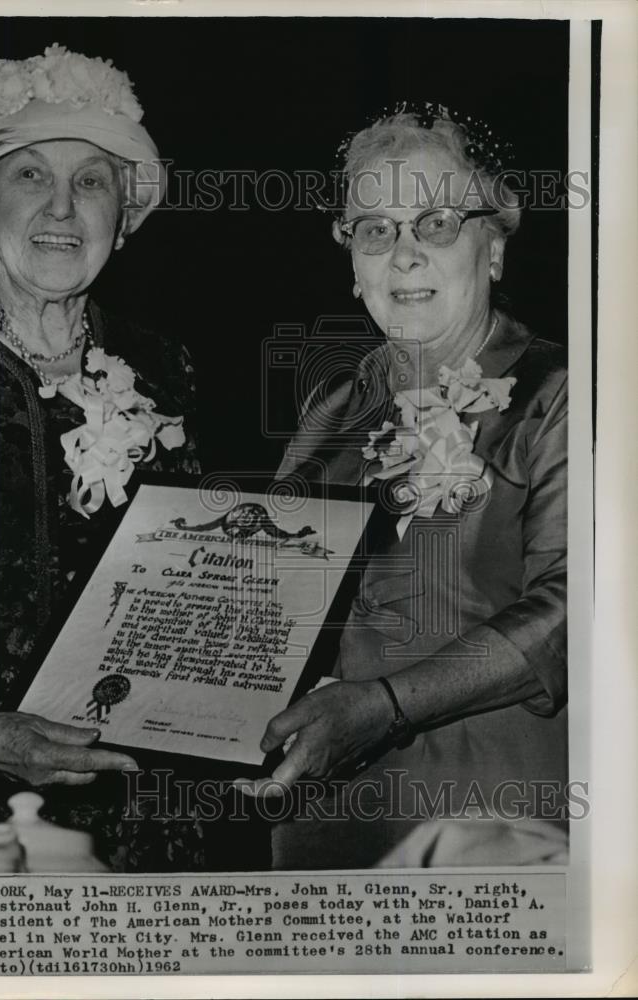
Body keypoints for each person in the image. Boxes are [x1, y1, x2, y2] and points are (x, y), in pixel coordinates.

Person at [0, 45, 203, 867]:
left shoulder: (166, 363)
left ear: (123, 219)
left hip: (148, 799)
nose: (62, 208)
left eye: (91, 182)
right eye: (29, 176)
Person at [240, 105, 569, 868]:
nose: (405, 254)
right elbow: (270, 603)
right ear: (351, 261)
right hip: (324, 825)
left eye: (438, 222)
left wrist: (384, 709)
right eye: (375, 229)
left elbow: (572, 615)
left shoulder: (562, 393)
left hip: (494, 830)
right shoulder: (332, 409)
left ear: (492, 245)